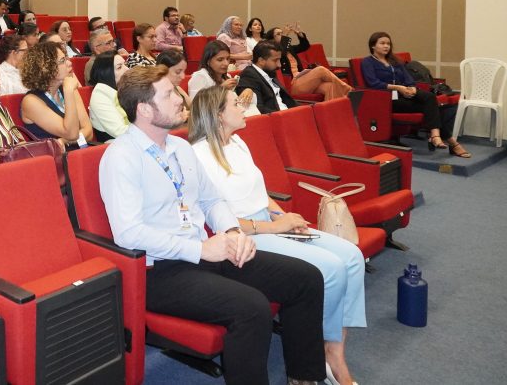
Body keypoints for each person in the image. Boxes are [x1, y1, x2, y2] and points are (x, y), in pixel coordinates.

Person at [98, 65, 326, 385]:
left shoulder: (179, 147)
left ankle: (304, 378)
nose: (180, 99)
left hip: (205, 254)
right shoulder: (121, 156)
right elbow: (129, 233)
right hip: (159, 271)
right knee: (252, 308)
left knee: (305, 278)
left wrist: (232, 232)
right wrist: (201, 249)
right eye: (168, 94)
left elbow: (211, 200)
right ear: (144, 109)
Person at [190, 85, 366, 385]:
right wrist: (274, 227)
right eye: (236, 104)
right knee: (332, 268)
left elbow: (261, 194)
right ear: (218, 115)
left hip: (269, 223)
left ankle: (333, 351)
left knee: (352, 256)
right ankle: (323, 355)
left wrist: (282, 216)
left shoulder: (238, 142)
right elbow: (217, 220)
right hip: (247, 235)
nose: (243, 108)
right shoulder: (199, 155)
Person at [361, 31, 469, 157]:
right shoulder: (367, 62)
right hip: (386, 100)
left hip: (404, 94)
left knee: (430, 97)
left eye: (388, 44)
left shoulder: (394, 61)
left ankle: (436, 135)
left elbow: (408, 79)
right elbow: (373, 83)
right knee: (431, 107)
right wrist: (398, 88)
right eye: (382, 43)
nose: (386, 46)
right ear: (373, 46)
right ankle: (450, 142)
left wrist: (411, 88)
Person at [20, 41, 94, 148]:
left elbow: (89, 132)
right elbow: (72, 133)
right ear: (46, 68)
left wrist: (64, 141)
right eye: (62, 61)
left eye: (66, 58)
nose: (69, 63)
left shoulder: (68, 87)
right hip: (53, 157)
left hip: (80, 151)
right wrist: (68, 92)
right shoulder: (31, 101)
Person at [267, 25, 352, 101]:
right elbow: (282, 52)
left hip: (301, 80)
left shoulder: (290, 49)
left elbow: (305, 46)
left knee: (329, 86)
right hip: (291, 85)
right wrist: (285, 36)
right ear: (272, 39)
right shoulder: (273, 53)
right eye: (279, 34)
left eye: (282, 33)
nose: (282, 35)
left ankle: (329, 112)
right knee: (321, 70)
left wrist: (300, 34)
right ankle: (346, 89)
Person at [189, 40, 257, 114]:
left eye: (228, 59)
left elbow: (236, 102)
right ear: (208, 61)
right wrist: (221, 88)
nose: (226, 63)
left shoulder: (227, 76)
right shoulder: (199, 77)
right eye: (220, 60)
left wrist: (248, 91)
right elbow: (196, 107)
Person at [236, 42, 296, 115]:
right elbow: (258, 109)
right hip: (276, 117)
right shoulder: (249, 75)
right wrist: (285, 115)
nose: (279, 65)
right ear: (261, 61)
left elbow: (287, 100)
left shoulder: (269, 71)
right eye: (275, 60)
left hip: (288, 113)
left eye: (279, 60)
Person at [88, 51, 130, 140]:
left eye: (125, 64)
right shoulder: (100, 96)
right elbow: (120, 132)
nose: (127, 69)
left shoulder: (123, 88)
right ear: (106, 73)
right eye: (119, 67)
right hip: (115, 144)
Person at [156, 48, 192, 116]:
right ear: (162, 70)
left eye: (184, 71)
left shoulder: (176, 87)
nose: (183, 77)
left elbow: (192, 107)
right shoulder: (156, 93)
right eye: (178, 72)